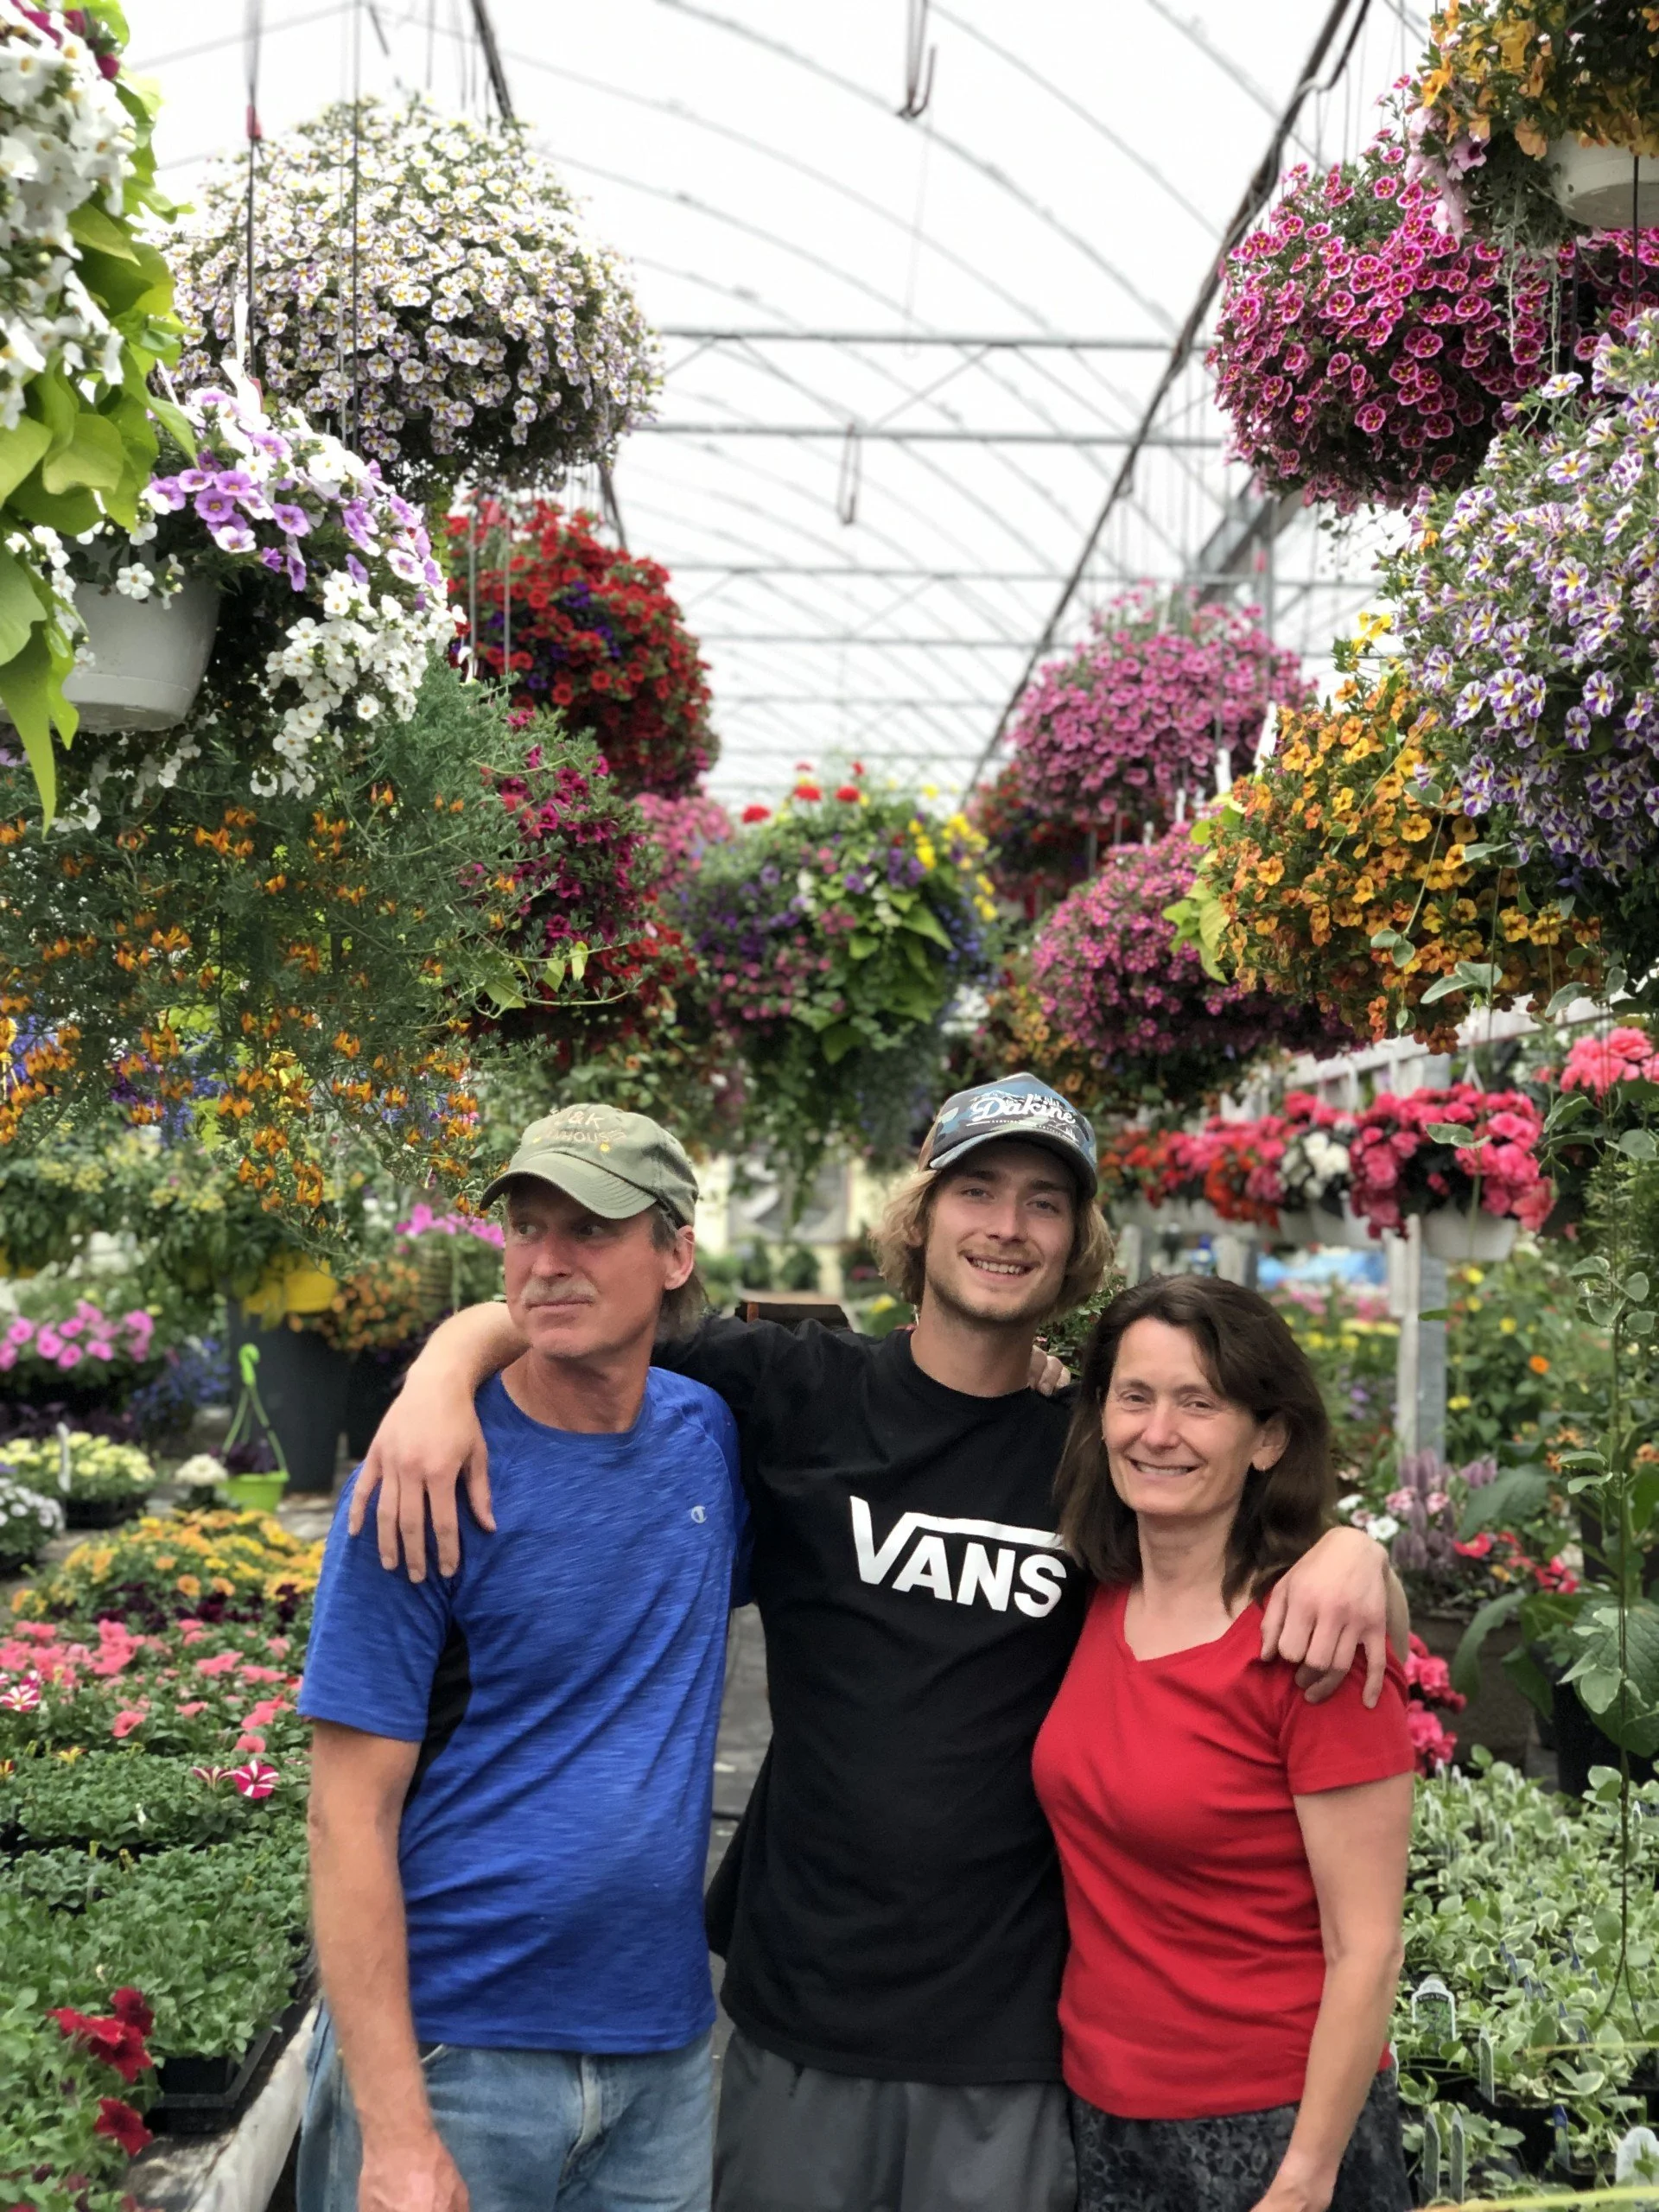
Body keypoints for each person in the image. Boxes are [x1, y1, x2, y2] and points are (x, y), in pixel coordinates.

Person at [353, 1074, 1403, 2212]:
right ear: (920, 1216)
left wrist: (1360, 1554)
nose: (1006, 1226)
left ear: (1076, 1243)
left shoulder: (1090, 1456)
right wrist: (446, 1367)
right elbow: (584, 1301)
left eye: (1045, 1204)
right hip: (802, 2009)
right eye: (977, 1192)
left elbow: (1235, 1523)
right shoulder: (789, 1391)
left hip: (1010, 2041)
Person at [298, 1104, 745, 2212]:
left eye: (589, 1230)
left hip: (663, 2060)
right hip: (458, 2059)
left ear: (675, 1251)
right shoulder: (420, 1482)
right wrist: (397, 2133)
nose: (548, 1261)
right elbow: (344, 1812)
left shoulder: (711, 1434)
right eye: (526, 1227)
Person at [1033, 1274, 1414, 2212]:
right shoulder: (1101, 1592)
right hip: (1101, 2109)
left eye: (1198, 1402)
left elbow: (1367, 1949)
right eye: (1135, 1395)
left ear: (1269, 1436)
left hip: (1272, 2128)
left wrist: (1305, 2178)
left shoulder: (1313, 1646)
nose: (1157, 1432)